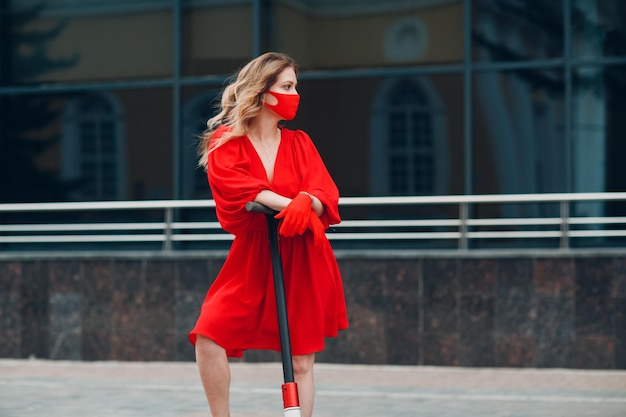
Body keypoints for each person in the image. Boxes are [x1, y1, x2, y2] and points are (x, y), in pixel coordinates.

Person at [188, 52, 349, 417]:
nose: (295, 94)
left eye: (295, 86)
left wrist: (306, 201)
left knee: (302, 360)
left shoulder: (300, 143)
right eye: (287, 86)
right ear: (262, 92)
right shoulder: (226, 141)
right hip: (254, 252)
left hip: (304, 252)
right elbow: (240, 187)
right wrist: (290, 203)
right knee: (210, 334)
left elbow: (328, 198)